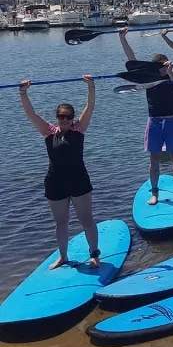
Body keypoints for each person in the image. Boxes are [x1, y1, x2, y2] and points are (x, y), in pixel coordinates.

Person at [18, 76, 101, 269]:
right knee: (61, 222)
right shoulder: (49, 132)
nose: (64, 120)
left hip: (79, 180)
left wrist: (91, 86)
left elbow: (90, 107)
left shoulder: (79, 129)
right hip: (55, 182)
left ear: (72, 118)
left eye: (67, 117)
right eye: (61, 116)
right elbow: (31, 114)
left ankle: (94, 254)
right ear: (57, 117)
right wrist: (23, 92)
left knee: (86, 220)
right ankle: (63, 256)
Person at [120, 26, 173, 205]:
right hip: (154, 122)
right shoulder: (148, 76)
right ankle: (154, 192)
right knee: (154, 158)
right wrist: (123, 39)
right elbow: (131, 60)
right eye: (161, 66)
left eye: (166, 64)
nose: (165, 68)